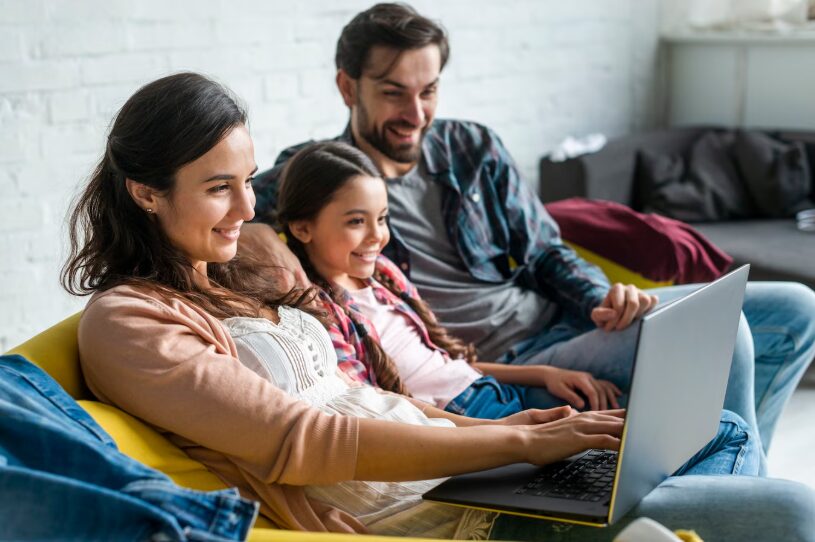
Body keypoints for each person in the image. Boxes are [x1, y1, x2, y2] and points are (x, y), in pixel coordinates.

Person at [63, 72, 815, 541]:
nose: (243, 207)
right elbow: (304, 440)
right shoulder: (128, 321)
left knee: (712, 429)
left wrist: (496, 425)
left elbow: (361, 393)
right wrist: (512, 447)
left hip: (454, 462)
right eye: (217, 186)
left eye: (248, 179)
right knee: (786, 514)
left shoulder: (236, 274)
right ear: (146, 191)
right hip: (416, 510)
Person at [247, 3, 815, 468]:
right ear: (348, 87)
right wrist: (266, 240)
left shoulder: (472, 147)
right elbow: (234, 220)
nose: (416, 113)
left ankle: (739, 473)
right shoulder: (318, 178)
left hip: (561, 323)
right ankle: (739, 485)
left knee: (795, 307)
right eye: (394, 92)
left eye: (429, 91)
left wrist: (600, 297)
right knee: (721, 334)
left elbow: (543, 249)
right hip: (483, 367)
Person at [279, 142, 622, 415]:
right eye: (356, 221)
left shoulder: (383, 274)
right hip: (463, 418)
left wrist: (546, 375)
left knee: (619, 417)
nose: (377, 236)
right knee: (605, 443)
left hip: (490, 388)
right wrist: (513, 434)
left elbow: (447, 365)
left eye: (382, 218)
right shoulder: (318, 313)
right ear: (302, 227)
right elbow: (374, 408)